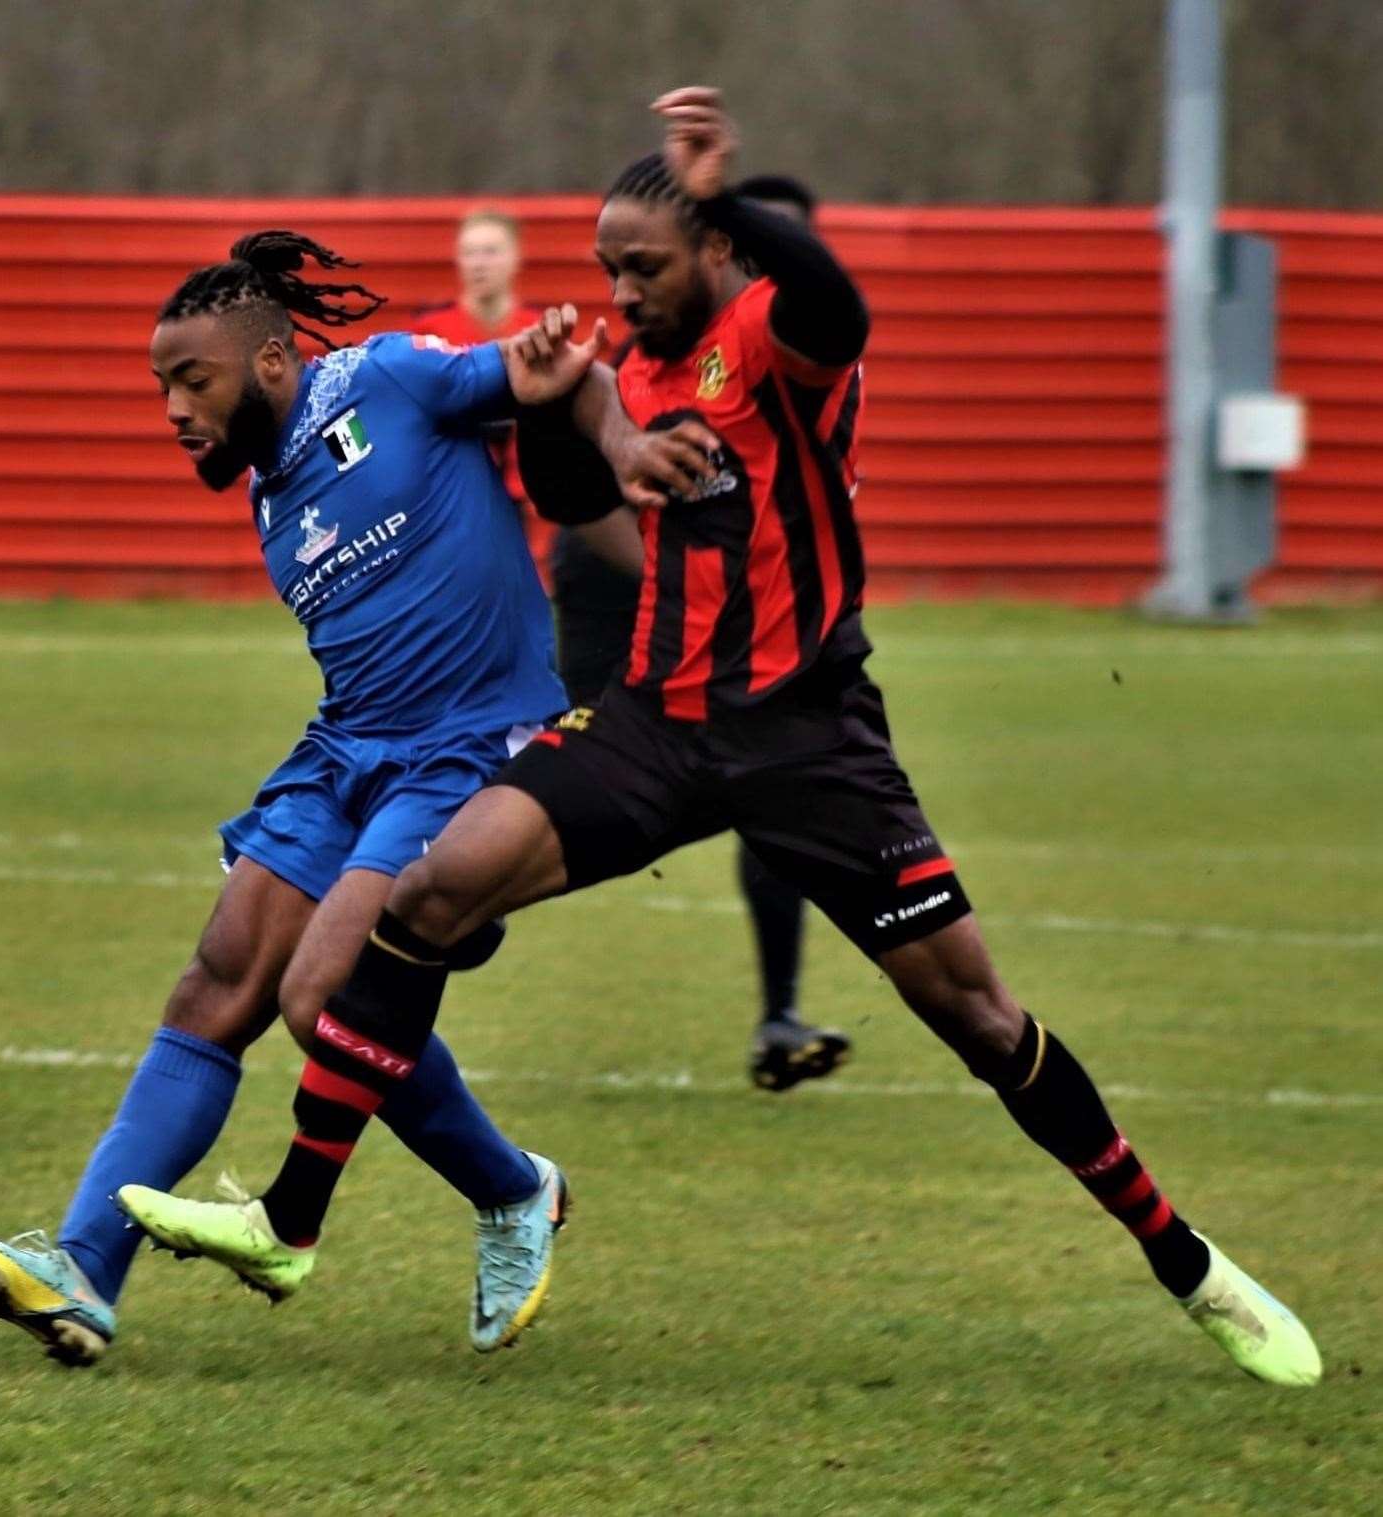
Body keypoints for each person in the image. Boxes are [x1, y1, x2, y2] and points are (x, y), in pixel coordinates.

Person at [118, 91, 1322, 1389]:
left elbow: (838, 308)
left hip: (807, 737)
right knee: (429, 888)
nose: (622, 291)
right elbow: (575, 494)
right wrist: (570, 426)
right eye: (608, 270)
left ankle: (1185, 1262)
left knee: (974, 1013)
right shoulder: (626, 371)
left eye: (644, 265)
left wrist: (733, 197)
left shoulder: (774, 337)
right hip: (651, 723)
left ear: (712, 255)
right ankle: (292, 1223)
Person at [0, 230, 682, 1363]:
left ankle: (509, 1187)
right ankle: (81, 1268)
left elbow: (548, 379)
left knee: (321, 990)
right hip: (350, 748)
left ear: (271, 363)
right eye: (160, 387)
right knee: (219, 977)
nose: (174, 408)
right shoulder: (271, 491)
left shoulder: (385, 377)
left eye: (194, 380)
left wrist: (607, 423)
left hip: (468, 748)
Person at [547, 172, 849, 1093]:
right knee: (524, 797)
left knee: (772, 812)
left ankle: (777, 1012)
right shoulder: (658, 356)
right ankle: (434, 900)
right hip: (619, 619)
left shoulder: (792, 354)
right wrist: (685, 583)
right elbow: (582, 500)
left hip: (733, 654)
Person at [413, 209, 552, 570]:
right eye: (470, 252)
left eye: (491, 251)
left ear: (515, 257)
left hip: (527, 488)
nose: (479, 263)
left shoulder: (539, 329)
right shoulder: (430, 330)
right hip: (451, 491)